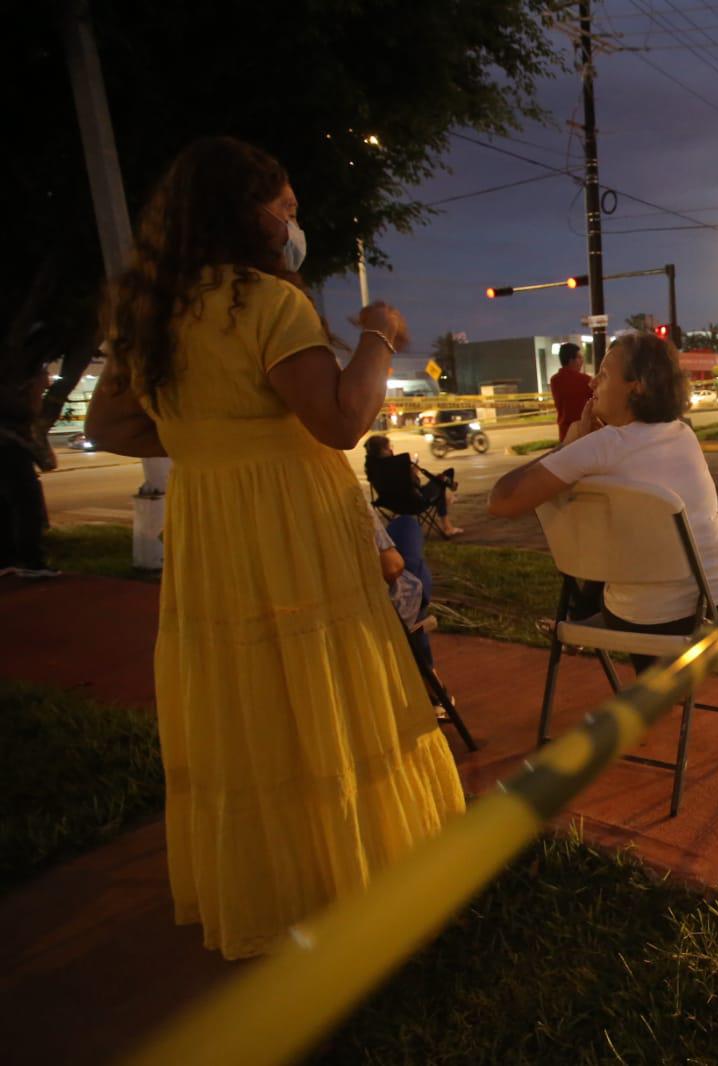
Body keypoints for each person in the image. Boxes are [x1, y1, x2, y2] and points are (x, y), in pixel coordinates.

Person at [84, 136, 464, 960]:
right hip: (294, 519)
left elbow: (107, 423)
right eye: (284, 208)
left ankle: (270, 884)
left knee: (248, 694)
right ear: (243, 214)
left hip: (213, 527)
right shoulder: (266, 303)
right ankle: (356, 874)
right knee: (329, 681)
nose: (295, 223)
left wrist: (210, 435)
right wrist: (380, 336)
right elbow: (337, 419)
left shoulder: (152, 309)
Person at [488, 331, 718, 668]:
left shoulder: (600, 446)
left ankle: (637, 686)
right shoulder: (683, 433)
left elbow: (501, 501)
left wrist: (570, 444)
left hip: (649, 619)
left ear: (635, 386)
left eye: (605, 374)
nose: (593, 384)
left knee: (624, 598)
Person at [0, 350, 56, 577]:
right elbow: (29, 412)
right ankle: (31, 562)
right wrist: (38, 389)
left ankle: (6, 558)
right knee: (27, 504)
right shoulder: (16, 383)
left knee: (5, 504)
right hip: (10, 447)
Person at [363, 434, 464, 536]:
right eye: (389, 447)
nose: (391, 450)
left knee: (439, 482)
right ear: (383, 450)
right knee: (442, 480)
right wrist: (414, 472)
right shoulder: (399, 464)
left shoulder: (371, 466)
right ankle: (448, 526)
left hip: (392, 504)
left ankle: (447, 498)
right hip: (414, 503)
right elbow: (416, 484)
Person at [549, 341, 593, 443]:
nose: (582, 361)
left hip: (564, 432)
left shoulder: (554, 380)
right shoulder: (586, 380)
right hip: (582, 432)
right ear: (572, 360)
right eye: (580, 358)